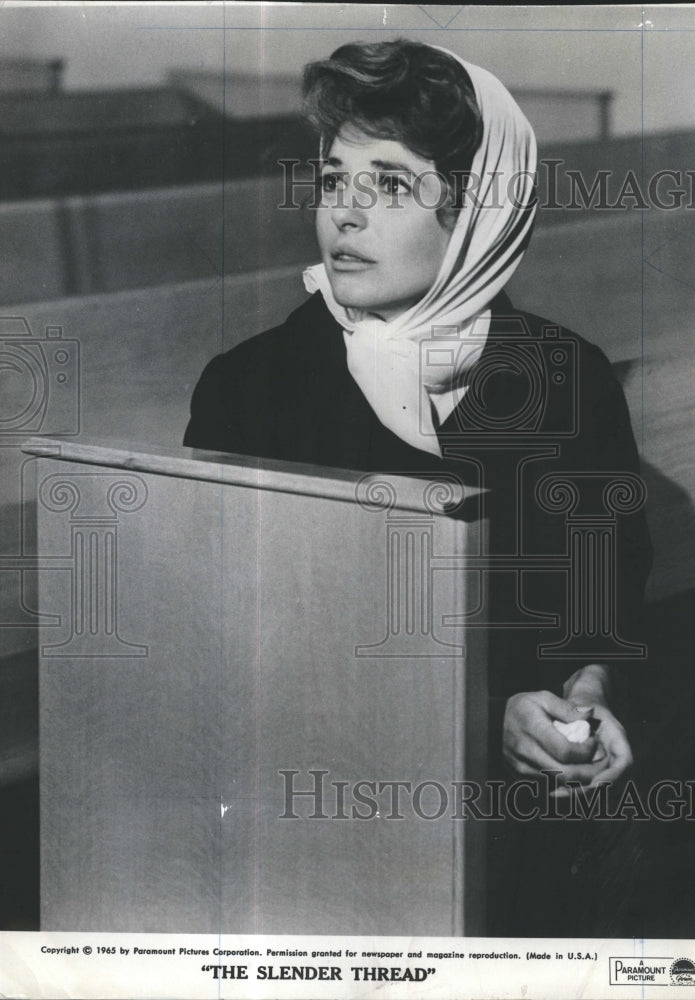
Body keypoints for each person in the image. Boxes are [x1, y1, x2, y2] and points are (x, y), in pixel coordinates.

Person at [184, 39, 654, 936]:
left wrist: (586, 701)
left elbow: (605, 598)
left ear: (480, 212)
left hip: (528, 832)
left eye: (391, 185)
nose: (345, 216)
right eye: (333, 179)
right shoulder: (250, 390)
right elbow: (251, 664)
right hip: (326, 823)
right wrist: (491, 722)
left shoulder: (570, 377)